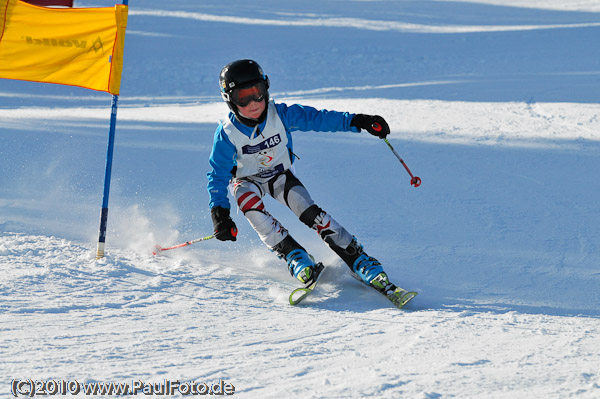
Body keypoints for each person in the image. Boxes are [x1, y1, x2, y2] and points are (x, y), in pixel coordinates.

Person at [207, 59, 404, 300]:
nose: (253, 103)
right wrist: (220, 214)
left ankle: (356, 256)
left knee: (309, 212)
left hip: (279, 175)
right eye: (243, 97)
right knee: (249, 204)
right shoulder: (227, 134)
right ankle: (294, 255)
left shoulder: (280, 114)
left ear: (266, 89)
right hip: (247, 180)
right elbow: (217, 175)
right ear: (229, 99)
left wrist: (357, 121)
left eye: (258, 93)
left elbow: (318, 118)